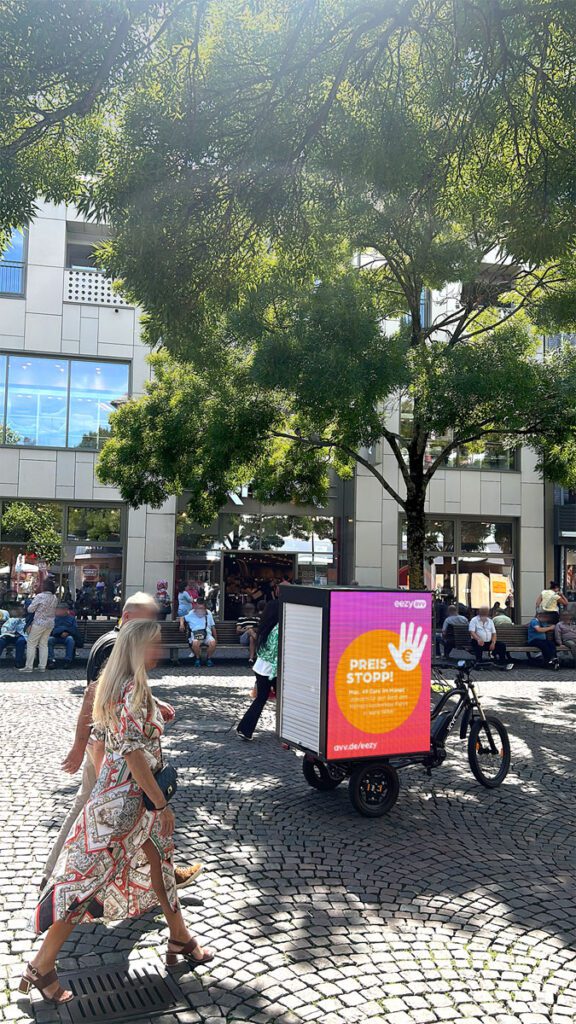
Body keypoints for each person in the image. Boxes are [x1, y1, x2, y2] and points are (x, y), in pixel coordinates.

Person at [22, 620, 213, 1008]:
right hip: (129, 805)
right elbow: (132, 753)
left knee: (161, 866)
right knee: (84, 885)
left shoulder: (115, 684)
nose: (159, 651)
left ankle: (181, 936)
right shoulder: (133, 691)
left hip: (119, 797)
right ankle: (41, 966)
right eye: (155, 646)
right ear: (138, 649)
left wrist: (158, 712)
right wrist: (161, 804)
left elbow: (123, 730)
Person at [40, 592, 201, 893]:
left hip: (109, 748)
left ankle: (162, 875)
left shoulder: (114, 641)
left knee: (133, 819)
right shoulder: (119, 644)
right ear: (128, 618)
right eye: (145, 619)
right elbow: (95, 693)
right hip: (108, 750)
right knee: (89, 814)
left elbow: (119, 689)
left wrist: (153, 699)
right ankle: (55, 880)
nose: (151, 630)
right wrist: (82, 747)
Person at [237, 600, 279, 740]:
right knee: (278, 700)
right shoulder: (278, 628)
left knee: (261, 698)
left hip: (262, 667)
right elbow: (274, 654)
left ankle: (245, 728)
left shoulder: (266, 626)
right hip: (271, 670)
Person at [20, 579, 58, 673]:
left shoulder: (40, 596)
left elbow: (30, 609)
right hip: (50, 623)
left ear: (44, 586)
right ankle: (42, 666)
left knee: (31, 643)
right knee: (43, 644)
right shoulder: (54, 597)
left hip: (39, 623)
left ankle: (29, 666)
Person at [185, 598, 217, 667]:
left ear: (205, 608)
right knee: (195, 643)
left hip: (207, 634)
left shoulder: (208, 613)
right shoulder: (191, 613)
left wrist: (216, 638)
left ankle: (208, 659)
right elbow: (183, 618)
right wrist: (181, 624)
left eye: (202, 608)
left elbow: (212, 626)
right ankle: (198, 658)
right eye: (198, 608)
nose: (200, 610)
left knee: (213, 643)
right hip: (196, 634)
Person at [0, 604, 28, 668]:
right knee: (1, 641)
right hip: (9, 636)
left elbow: (26, 631)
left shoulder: (25, 620)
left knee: (21, 641)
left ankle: (18, 661)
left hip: (20, 636)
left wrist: (19, 633)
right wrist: (7, 632)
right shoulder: (11, 620)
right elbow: (4, 628)